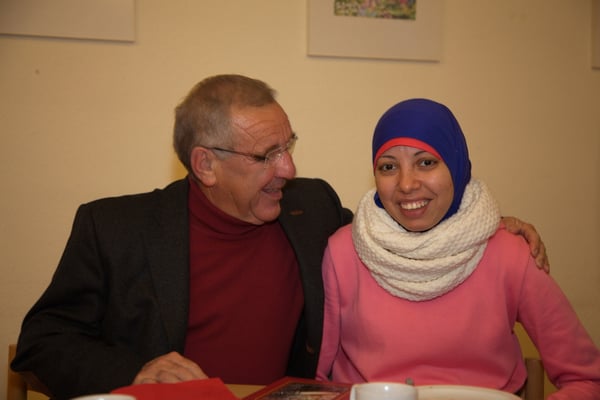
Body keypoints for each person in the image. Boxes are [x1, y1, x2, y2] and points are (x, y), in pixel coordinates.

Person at [11, 75, 547, 400]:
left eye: (288, 145)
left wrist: (476, 223)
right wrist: (137, 371)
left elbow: (395, 232)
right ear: (206, 165)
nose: (288, 168)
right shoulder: (115, 228)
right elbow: (43, 341)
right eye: (267, 155)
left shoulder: (312, 207)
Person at [315, 99, 600, 398]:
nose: (407, 184)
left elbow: (588, 380)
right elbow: (313, 383)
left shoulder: (510, 253)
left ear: (456, 164)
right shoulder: (344, 252)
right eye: (388, 167)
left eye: (426, 162)